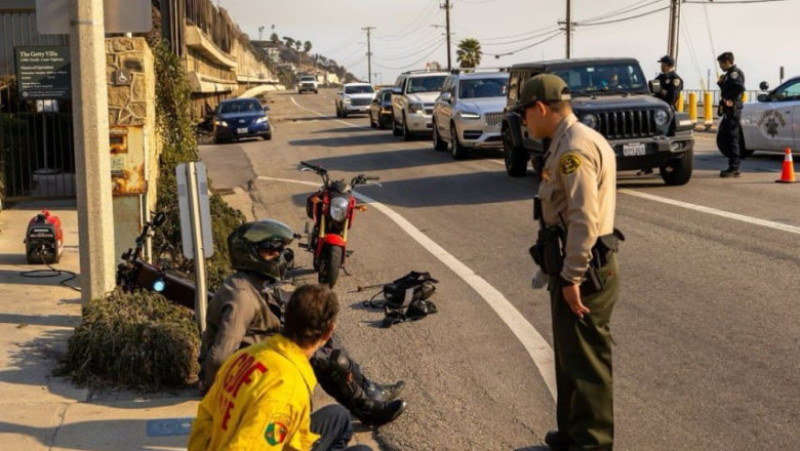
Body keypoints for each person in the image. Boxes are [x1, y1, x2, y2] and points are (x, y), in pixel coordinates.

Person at [198, 220, 406, 426]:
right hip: (255, 371)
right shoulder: (241, 296)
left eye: (280, 250)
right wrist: (219, 400)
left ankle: (369, 391)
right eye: (271, 250)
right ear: (249, 253)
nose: (278, 256)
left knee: (319, 333)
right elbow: (219, 357)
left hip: (262, 355)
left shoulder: (251, 282)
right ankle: (366, 409)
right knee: (323, 359)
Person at [513, 74, 621, 451]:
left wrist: (572, 277)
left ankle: (591, 443)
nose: (524, 120)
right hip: (571, 265)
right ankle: (572, 434)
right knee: (570, 357)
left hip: (586, 269)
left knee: (587, 363)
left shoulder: (574, 148)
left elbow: (583, 218)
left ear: (541, 108)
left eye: (525, 112)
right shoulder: (566, 141)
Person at [189, 284, 371, 451]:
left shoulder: (246, 356)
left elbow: (205, 416)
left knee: (338, 416)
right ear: (329, 331)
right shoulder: (285, 390)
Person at [716, 51, 746, 178]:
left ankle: (734, 167)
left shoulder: (734, 73)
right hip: (729, 109)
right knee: (726, 136)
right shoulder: (728, 75)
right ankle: (732, 165)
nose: (720, 66)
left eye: (721, 64)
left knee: (733, 137)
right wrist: (722, 84)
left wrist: (730, 99)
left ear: (727, 62)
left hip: (733, 108)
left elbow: (739, 87)